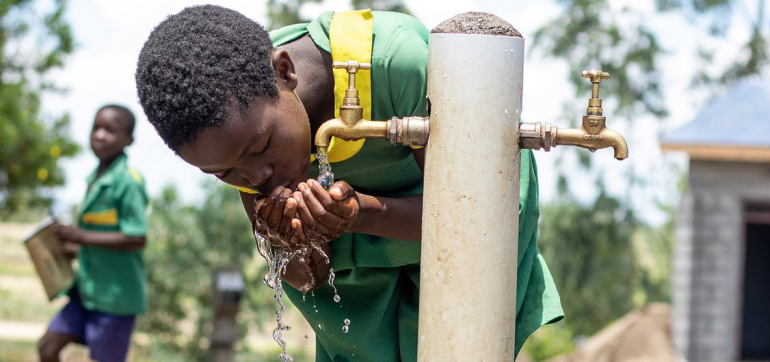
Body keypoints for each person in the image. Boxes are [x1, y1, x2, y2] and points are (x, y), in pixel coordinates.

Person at [135, 6, 562, 362]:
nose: (256, 178)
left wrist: (364, 213)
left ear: (284, 72)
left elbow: (478, 221)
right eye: (223, 174)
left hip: (466, 239)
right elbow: (307, 281)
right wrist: (295, 242)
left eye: (261, 146)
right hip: (365, 306)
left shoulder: (396, 63)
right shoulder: (238, 142)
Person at [38, 105, 149, 362]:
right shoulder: (94, 179)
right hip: (86, 291)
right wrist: (75, 248)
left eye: (110, 130)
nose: (99, 135)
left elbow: (136, 238)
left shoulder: (128, 181)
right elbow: (99, 238)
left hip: (114, 298)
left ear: (128, 140)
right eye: (96, 128)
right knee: (47, 348)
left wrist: (80, 237)